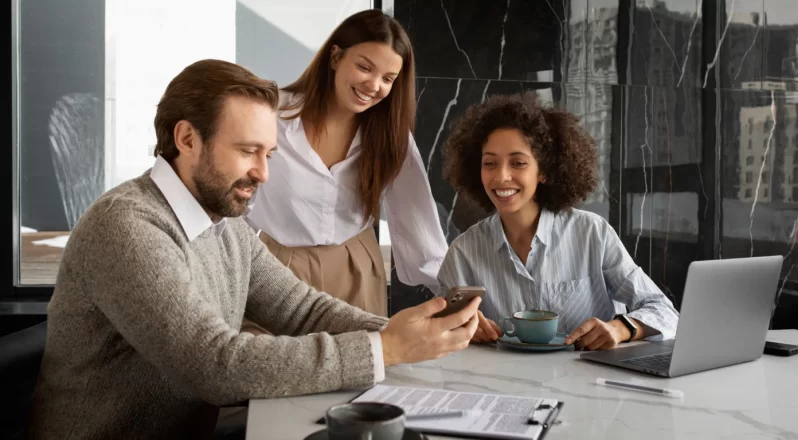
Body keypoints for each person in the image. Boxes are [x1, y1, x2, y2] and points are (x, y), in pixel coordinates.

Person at [27, 59, 480, 440]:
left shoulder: (223, 222)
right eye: (248, 151)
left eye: (269, 154)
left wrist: (417, 333)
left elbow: (301, 310)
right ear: (187, 139)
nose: (263, 173)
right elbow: (213, 364)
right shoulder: (126, 226)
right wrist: (384, 349)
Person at [437, 92, 679, 351]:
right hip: (506, 387)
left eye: (518, 163)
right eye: (490, 163)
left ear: (544, 170)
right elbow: (437, 330)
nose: (502, 176)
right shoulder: (463, 252)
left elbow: (663, 310)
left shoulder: (591, 233)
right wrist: (459, 328)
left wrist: (621, 329)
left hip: (589, 384)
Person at [245, 10, 447, 318]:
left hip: (358, 272)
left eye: (388, 79)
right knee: (281, 363)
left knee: (363, 364)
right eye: (365, 67)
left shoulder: (391, 136)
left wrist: (457, 299)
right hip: (280, 272)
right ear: (336, 56)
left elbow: (417, 220)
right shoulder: (271, 116)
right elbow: (233, 207)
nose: (374, 85)